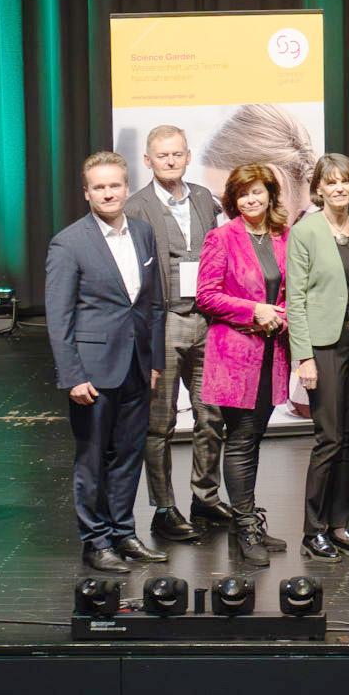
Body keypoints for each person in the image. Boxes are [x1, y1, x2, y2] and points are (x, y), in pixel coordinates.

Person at [47, 151, 167, 572]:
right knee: (93, 458)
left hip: (137, 364)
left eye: (114, 185)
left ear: (126, 187)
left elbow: (153, 303)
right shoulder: (69, 242)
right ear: (86, 193)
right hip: (93, 370)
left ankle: (123, 532)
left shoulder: (143, 233)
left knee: (129, 454)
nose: (108, 193)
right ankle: (96, 541)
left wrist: (154, 361)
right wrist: (72, 376)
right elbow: (59, 316)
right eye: (99, 187)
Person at [124, 126, 226, 545]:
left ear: (187, 156)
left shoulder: (204, 198)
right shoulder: (135, 206)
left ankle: (205, 497)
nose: (170, 161)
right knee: (160, 423)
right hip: (164, 322)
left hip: (207, 319)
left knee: (211, 415)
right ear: (147, 160)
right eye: (162, 155)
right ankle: (164, 508)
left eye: (177, 154)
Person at [195, 163, 294, 570]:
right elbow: (206, 295)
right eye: (243, 194)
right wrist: (255, 310)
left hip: (273, 352)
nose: (251, 200)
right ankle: (245, 526)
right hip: (235, 354)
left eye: (257, 192)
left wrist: (281, 315)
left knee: (253, 437)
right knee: (239, 439)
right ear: (233, 200)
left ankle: (246, 520)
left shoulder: (283, 236)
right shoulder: (221, 237)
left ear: (270, 194)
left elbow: (292, 291)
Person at [285, 152, 349, 562]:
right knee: (329, 438)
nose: (340, 188)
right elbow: (295, 298)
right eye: (331, 182)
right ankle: (314, 530)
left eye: (346, 181)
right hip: (325, 344)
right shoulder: (305, 231)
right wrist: (303, 357)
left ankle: (339, 526)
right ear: (319, 189)